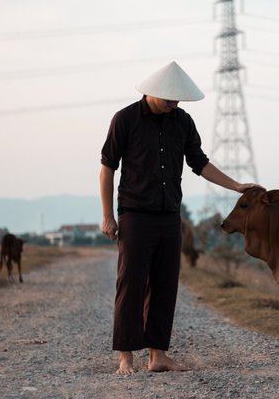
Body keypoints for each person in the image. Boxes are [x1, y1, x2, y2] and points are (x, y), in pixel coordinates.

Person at [99, 61, 261, 375]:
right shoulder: (125, 119)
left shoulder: (182, 122)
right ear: (152, 92)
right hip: (134, 215)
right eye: (169, 98)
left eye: (178, 99)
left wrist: (236, 185)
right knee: (130, 284)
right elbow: (108, 168)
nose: (174, 103)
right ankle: (126, 358)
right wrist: (108, 216)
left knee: (165, 285)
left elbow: (200, 163)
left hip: (170, 216)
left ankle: (158, 356)